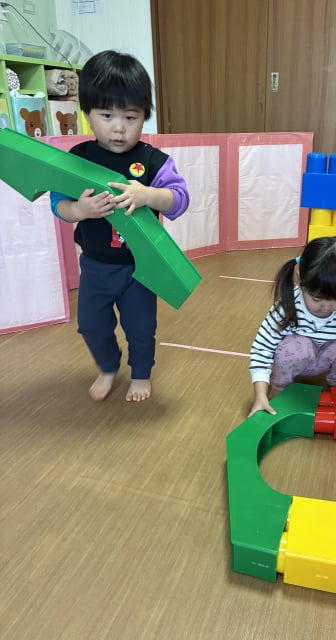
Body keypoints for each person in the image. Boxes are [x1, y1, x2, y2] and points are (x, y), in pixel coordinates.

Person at [50, 50, 189, 402]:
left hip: (139, 268)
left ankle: (141, 373)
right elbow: (58, 203)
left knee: (141, 328)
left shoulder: (152, 161)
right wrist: (79, 209)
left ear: (144, 117)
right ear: (86, 115)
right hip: (95, 266)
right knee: (91, 325)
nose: (118, 127)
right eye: (106, 115)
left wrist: (148, 195)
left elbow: (179, 199)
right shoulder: (78, 158)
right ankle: (108, 366)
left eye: (130, 117)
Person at [248, 235, 336, 416]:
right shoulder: (288, 306)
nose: (326, 307)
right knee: (296, 345)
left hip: (326, 359)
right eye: (316, 299)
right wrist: (260, 395)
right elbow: (262, 348)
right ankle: (280, 385)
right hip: (296, 357)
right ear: (299, 277)